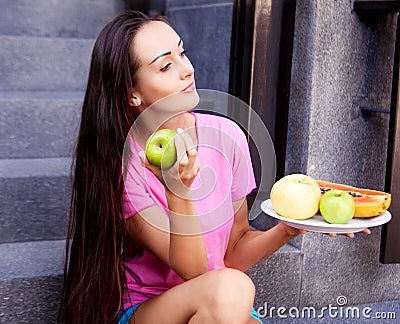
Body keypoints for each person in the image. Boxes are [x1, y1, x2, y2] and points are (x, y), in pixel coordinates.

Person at [58, 10, 370, 324]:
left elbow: (232, 252)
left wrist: (288, 228)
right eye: (166, 65)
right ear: (132, 95)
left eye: (182, 53)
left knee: (233, 296)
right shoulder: (128, 166)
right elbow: (192, 271)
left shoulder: (227, 137)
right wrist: (177, 190)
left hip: (221, 303)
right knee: (232, 289)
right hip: (153, 310)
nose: (188, 70)